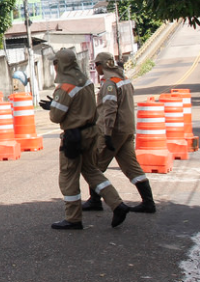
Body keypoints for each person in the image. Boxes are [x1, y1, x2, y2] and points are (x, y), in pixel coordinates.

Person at [39, 48, 131, 230]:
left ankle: (73, 218)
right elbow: (81, 106)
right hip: (91, 132)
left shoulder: (65, 87)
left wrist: (53, 106)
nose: (54, 66)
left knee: (68, 176)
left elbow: (56, 117)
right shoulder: (86, 81)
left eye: (55, 63)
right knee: (91, 171)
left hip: (74, 136)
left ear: (61, 65)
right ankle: (117, 204)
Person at [80, 52, 155, 214]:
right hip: (126, 130)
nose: (96, 69)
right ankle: (148, 202)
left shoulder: (109, 83)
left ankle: (95, 200)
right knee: (131, 166)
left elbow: (109, 109)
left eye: (96, 65)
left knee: (94, 165)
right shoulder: (123, 79)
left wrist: (106, 134)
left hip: (113, 130)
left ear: (101, 65)